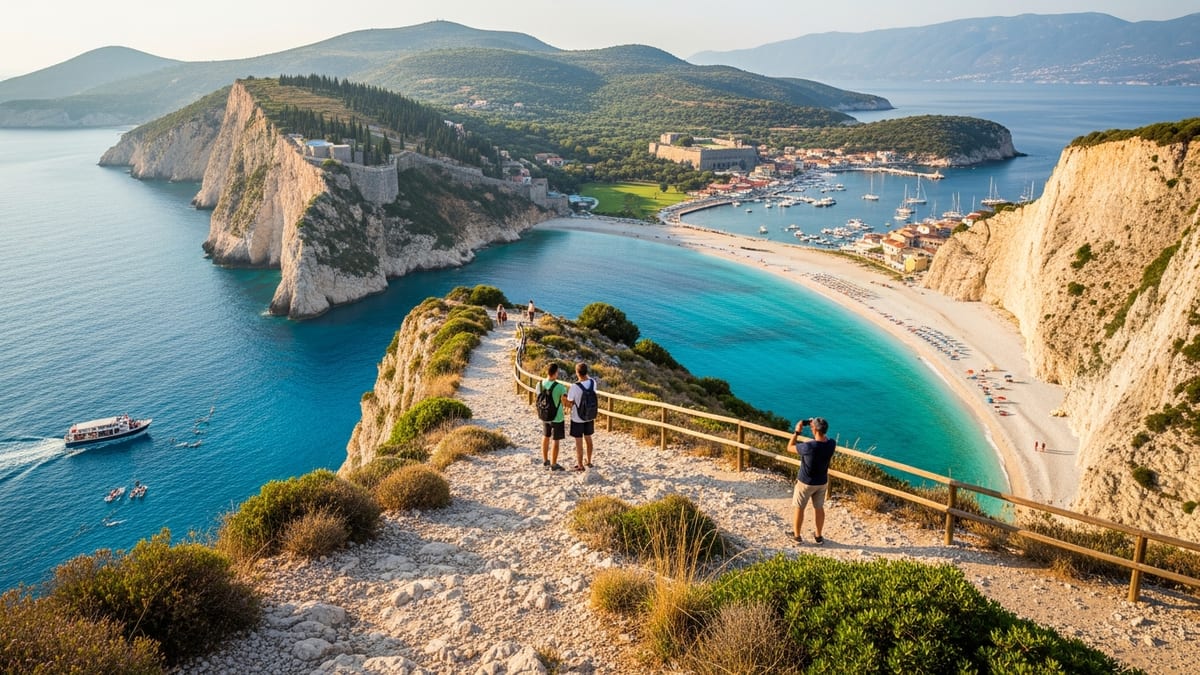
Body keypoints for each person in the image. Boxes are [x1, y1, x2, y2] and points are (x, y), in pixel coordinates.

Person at [786, 417, 836, 544]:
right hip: (822, 482)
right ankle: (818, 536)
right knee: (819, 508)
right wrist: (815, 425)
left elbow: (790, 447)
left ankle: (797, 537)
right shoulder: (831, 444)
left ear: (813, 429)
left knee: (799, 508)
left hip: (806, 482)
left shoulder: (808, 447)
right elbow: (824, 439)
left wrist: (797, 432)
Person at [566, 362, 598, 471]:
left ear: (577, 373)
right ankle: (589, 461)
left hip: (577, 417)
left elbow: (570, 401)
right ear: (587, 372)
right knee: (588, 438)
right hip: (589, 415)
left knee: (578, 441)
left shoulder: (575, 386)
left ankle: (580, 465)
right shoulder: (593, 383)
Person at [538, 363, 568, 471]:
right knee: (556, 440)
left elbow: (539, 397)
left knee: (545, 436)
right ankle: (554, 464)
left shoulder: (540, 384)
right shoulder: (560, 387)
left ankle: (546, 460)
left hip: (545, 414)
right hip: (557, 416)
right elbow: (565, 401)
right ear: (555, 373)